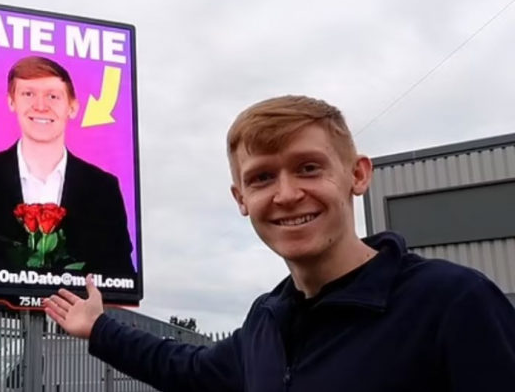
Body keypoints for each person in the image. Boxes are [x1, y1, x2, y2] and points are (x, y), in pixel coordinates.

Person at [44, 95, 515, 391]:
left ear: (357, 174)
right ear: (241, 199)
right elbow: (186, 368)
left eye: (309, 167)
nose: (287, 195)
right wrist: (99, 326)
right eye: (263, 177)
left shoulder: (452, 303)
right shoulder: (267, 321)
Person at [0, 56, 135, 277]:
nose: (41, 106)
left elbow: (121, 274)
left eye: (53, 96)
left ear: (72, 107)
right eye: (28, 94)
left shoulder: (103, 187)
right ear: (11, 101)